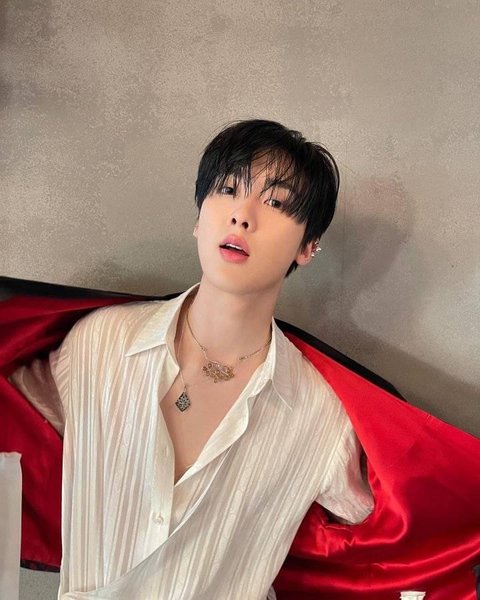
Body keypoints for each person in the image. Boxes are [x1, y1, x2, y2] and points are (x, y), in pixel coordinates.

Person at [10, 119, 373, 599]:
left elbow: (405, 535)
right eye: (228, 189)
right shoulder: (98, 343)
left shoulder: (321, 416)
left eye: (276, 202)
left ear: (308, 247)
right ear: (199, 217)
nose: (242, 216)